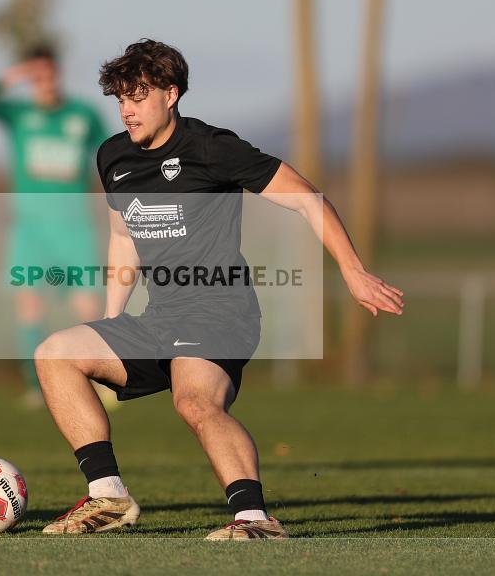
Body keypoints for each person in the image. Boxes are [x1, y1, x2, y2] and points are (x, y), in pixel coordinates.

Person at [33, 39, 405, 540]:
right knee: (55, 353)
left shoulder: (211, 147)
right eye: (120, 98)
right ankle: (108, 498)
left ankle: (255, 520)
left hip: (220, 310)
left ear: (172, 93)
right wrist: (112, 316)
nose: (126, 110)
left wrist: (353, 270)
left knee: (194, 402)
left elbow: (306, 200)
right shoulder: (113, 156)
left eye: (137, 96)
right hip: (160, 316)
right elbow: (124, 236)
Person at [0, 45, 110, 408]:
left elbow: (110, 153)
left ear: (59, 73)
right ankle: (40, 386)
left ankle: (100, 382)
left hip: (74, 227)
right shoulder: (19, 114)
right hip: (30, 230)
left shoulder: (82, 116)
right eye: (37, 74)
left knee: (87, 308)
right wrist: (12, 76)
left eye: (50, 73)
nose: (45, 80)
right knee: (30, 306)